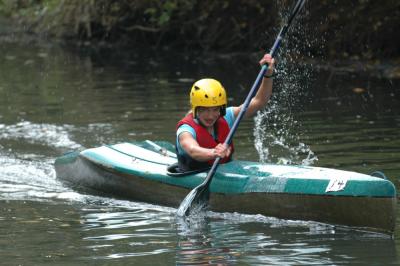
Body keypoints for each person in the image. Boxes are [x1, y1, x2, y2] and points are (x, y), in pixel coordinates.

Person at [175, 54, 275, 172]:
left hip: (225, 171)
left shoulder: (226, 116)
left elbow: (259, 102)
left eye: (215, 109)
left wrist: (268, 75)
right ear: (195, 108)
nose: (211, 115)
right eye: (205, 110)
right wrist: (214, 152)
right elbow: (192, 150)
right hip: (192, 173)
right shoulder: (185, 130)